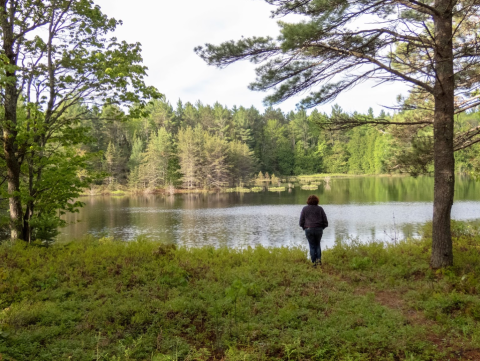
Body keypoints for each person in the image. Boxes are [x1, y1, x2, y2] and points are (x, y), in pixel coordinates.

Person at [299, 195, 328, 266]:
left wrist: (305, 228)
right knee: (317, 245)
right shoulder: (320, 209)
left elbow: (301, 222)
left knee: (312, 245)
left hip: (308, 229)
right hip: (318, 229)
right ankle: (319, 261)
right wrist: (321, 228)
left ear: (308, 201)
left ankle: (313, 262)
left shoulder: (305, 209)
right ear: (317, 201)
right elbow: (325, 222)